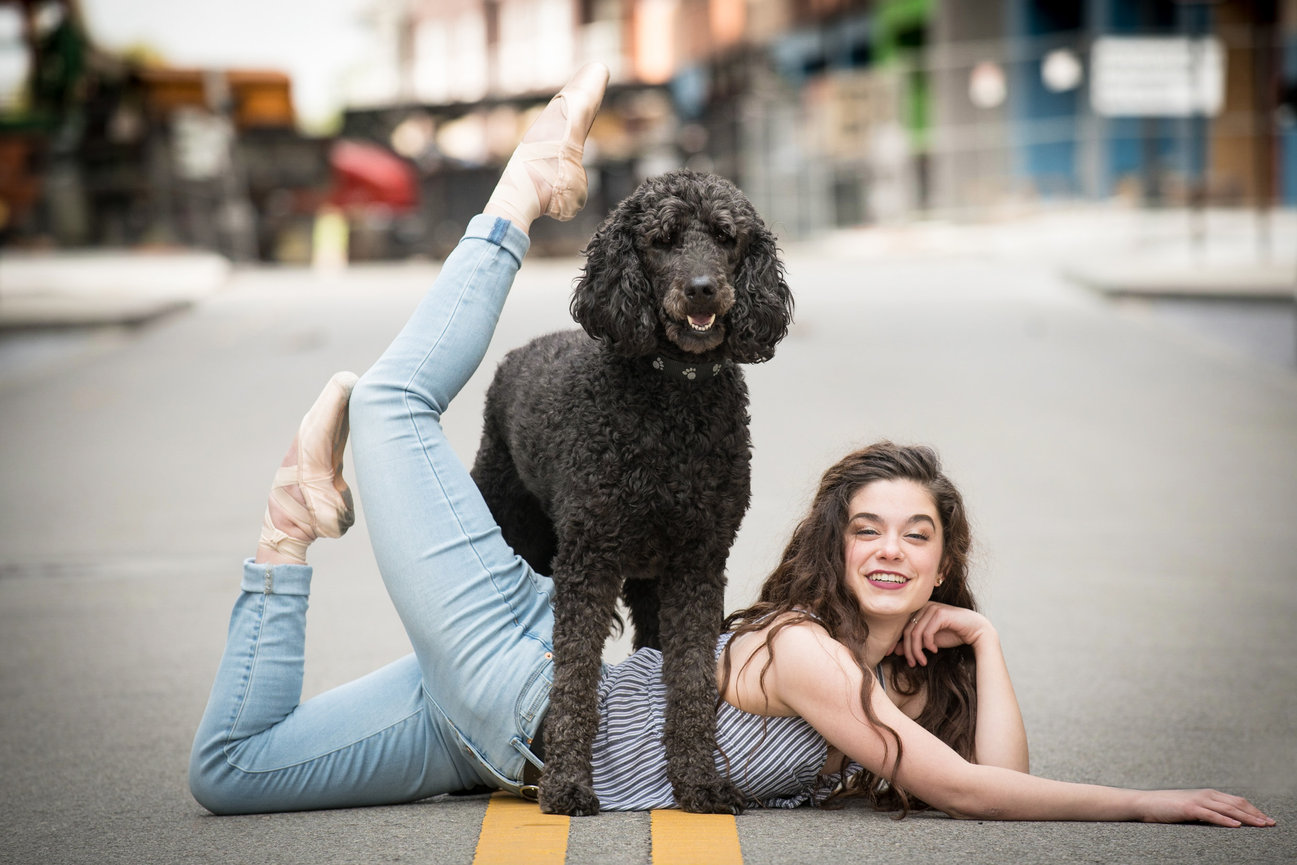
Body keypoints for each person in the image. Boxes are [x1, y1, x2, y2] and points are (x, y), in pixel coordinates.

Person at [188, 63, 1274, 828]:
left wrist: (984, 645)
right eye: (868, 528)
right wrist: (1145, 800)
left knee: (228, 777)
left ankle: (289, 529)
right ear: (832, 544)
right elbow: (966, 790)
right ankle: (522, 188)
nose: (891, 551)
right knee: (385, 405)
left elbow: (990, 767)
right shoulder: (808, 652)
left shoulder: (886, 681)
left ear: (948, 563)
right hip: (514, 690)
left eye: (918, 536)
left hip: (478, 745)